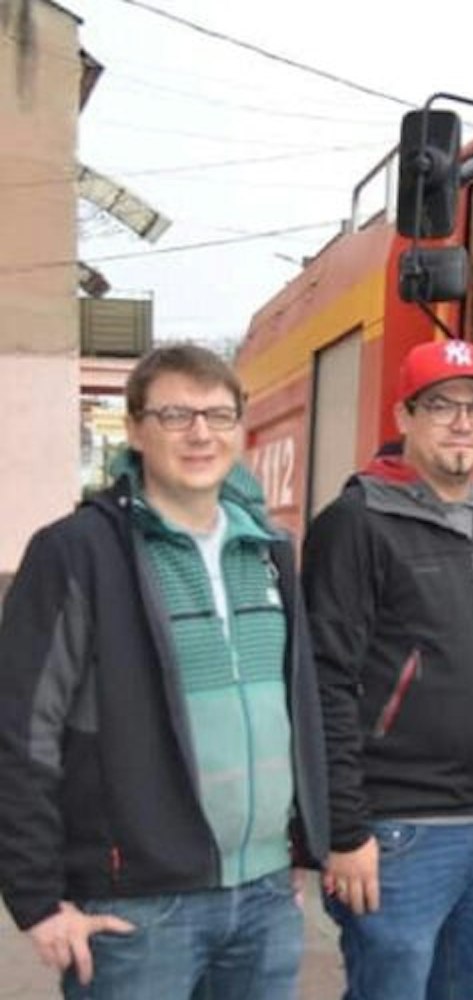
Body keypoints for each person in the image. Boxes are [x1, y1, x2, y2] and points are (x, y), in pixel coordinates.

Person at [0, 344, 330, 999]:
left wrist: (300, 839)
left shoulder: (271, 552)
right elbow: (22, 732)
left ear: (240, 427)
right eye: (175, 415)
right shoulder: (76, 552)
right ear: (135, 429)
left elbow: (299, 708)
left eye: (218, 415)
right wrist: (36, 899)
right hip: (138, 905)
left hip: (265, 895)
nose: (200, 434)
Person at [303, 338, 473, 998]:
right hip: (399, 833)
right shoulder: (357, 523)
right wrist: (344, 830)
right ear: (404, 416)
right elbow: (325, 682)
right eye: (440, 405)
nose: (463, 423)